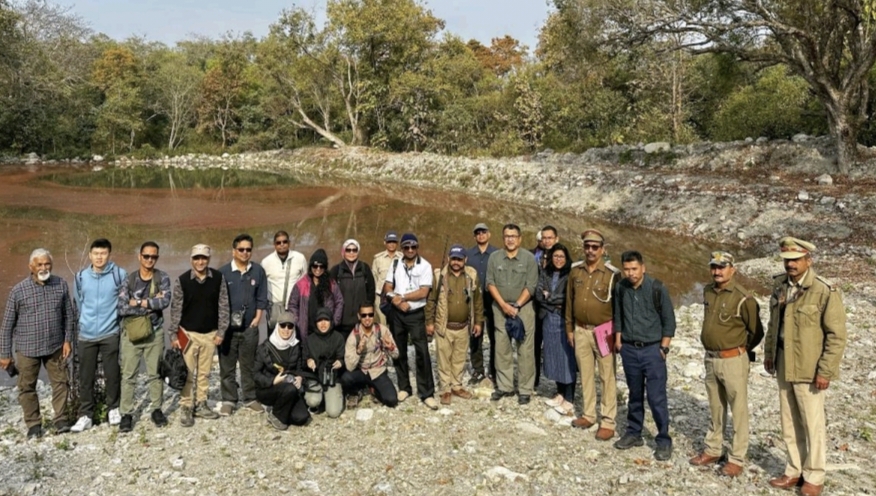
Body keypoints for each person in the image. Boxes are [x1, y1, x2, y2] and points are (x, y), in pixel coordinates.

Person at [763, 237, 847, 496]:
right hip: (783, 362)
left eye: (796, 260)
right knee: (789, 421)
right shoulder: (780, 285)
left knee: (812, 424)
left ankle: (814, 476)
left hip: (809, 368)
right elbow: (773, 323)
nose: (791, 265)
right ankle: (793, 470)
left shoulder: (823, 290)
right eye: (787, 260)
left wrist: (825, 370)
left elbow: (836, 336)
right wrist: (769, 354)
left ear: (808, 261)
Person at [0, 249, 75, 439]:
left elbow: (69, 316)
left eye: (47, 264)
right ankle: (33, 424)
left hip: (55, 346)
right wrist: (5, 354)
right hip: (27, 349)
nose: (43, 268)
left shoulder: (60, 284)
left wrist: (67, 340)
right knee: (26, 387)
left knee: (61, 383)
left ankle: (61, 419)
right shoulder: (18, 291)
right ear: (31, 267)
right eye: (39, 264)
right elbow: (7, 325)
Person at [612, 250, 676, 461]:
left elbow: (669, 320)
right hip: (629, 349)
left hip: (652, 350)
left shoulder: (657, 288)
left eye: (634, 269)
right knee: (634, 393)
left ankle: (663, 440)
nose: (630, 273)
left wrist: (664, 348)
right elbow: (618, 314)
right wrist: (619, 340)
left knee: (657, 397)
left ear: (643, 268)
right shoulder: (621, 287)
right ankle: (634, 432)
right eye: (627, 269)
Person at [564, 229, 620, 440]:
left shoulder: (612, 274)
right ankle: (589, 414)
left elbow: (619, 307)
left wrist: (618, 334)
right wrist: (569, 329)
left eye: (595, 247)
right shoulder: (576, 271)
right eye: (587, 246)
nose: (590, 250)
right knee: (586, 374)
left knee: (607, 376)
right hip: (581, 330)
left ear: (602, 250)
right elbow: (569, 301)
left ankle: (608, 421)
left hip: (604, 332)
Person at [169, 244, 229, 427]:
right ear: (191, 260)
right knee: (187, 372)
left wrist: (221, 331)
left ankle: (201, 403)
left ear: (208, 259)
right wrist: (173, 335)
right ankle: (186, 406)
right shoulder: (182, 281)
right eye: (197, 258)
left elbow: (224, 306)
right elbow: (176, 309)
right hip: (188, 334)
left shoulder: (218, 278)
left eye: (203, 258)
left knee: (205, 373)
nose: (200, 262)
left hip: (210, 334)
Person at [72, 238, 127, 433]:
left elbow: (123, 302)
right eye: (96, 253)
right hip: (86, 335)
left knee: (112, 374)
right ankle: (86, 414)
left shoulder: (119, 275)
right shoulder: (80, 277)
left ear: (109, 254)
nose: (99, 257)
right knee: (85, 376)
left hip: (110, 332)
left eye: (103, 253)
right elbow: (79, 302)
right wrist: (84, 322)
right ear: (90, 255)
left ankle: (113, 409)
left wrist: (116, 324)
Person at [117, 241, 172, 432]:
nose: (150, 260)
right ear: (139, 256)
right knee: (128, 375)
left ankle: (156, 409)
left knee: (155, 373)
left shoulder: (162, 277)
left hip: (155, 333)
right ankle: (126, 413)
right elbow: (122, 307)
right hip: (131, 334)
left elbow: (164, 302)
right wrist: (149, 304)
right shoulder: (129, 279)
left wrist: (138, 302)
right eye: (146, 256)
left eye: (153, 256)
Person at [383, 233, 438, 409]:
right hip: (397, 313)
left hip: (416, 314)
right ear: (402, 248)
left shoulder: (425, 266)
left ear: (417, 247)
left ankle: (427, 392)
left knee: (422, 351)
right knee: (399, 350)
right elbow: (387, 287)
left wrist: (403, 297)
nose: (410, 250)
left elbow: (424, 292)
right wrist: (396, 300)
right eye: (406, 247)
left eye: (413, 246)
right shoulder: (395, 264)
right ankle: (404, 387)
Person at [487, 223, 539, 405]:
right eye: (507, 236)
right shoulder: (494, 258)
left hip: (523, 309)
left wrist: (516, 305)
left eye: (513, 236)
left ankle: (525, 389)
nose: (510, 239)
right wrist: (503, 305)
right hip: (500, 308)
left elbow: (531, 285)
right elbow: (490, 283)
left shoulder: (529, 258)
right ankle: (505, 386)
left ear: (520, 238)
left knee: (525, 349)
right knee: (502, 348)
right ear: (503, 238)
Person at [425, 244, 483, 405]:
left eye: (459, 259)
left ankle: (456, 386)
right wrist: (429, 322)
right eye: (453, 259)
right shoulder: (439, 276)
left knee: (459, 358)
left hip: (463, 326)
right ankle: (445, 389)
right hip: (444, 326)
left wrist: (478, 322)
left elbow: (478, 301)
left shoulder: (471, 275)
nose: (456, 262)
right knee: (443, 359)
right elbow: (431, 300)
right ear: (449, 258)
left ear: (465, 259)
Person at [218, 234, 268, 416]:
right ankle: (229, 400)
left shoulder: (258, 271)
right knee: (227, 366)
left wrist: (257, 319)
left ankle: (250, 398)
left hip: (249, 327)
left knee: (249, 365)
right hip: (227, 329)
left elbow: (262, 297)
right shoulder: (223, 273)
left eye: (248, 249)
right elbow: (217, 301)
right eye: (241, 249)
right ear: (234, 251)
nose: (245, 252)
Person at [535, 243, 576, 415]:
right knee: (553, 356)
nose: (558, 259)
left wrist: (549, 296)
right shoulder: (545, 272)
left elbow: (568, 297)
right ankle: (559, 392)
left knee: (566, 357)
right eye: (556, 256)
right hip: (548, 319)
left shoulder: (571, 274)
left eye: (562, 256)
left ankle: (569, 397)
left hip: (563, 320)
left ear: (566, 258)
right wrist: (551, 300)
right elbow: (538, 294)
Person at [253, 311, 311, 429]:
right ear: (277, 326)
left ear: (293, 329)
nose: (286, 330)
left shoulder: (296, 346)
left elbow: (299, 369)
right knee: (289, 389)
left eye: (290, 326)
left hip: (290, 390)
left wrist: (300, 378)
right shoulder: (264, 348)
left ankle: (278, 408)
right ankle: (276, 415)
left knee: (302, 418)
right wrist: (272, 381)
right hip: (268, 389)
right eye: (283, 325)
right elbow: (255, 374)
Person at [342, 303, 399, 408]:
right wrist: (358, 351)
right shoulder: (353, 336)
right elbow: (349, 367)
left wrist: (390, 347)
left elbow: (396, 355)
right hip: (361, 371)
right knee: (346, 378)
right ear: (359, 316)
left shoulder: (382, 330)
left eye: (370, 314)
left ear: (374, 315)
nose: (367, 318)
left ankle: (373, 390)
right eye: (364, 315)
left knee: (391, 400)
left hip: (378, 370)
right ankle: (355, 392)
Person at [287, 249, 343, 342]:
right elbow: (292, 304)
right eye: (315, 266)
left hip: (326, 329)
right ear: (310, 266)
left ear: (325, 267)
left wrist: (334, 321)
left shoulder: (331, 284)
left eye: (321, 266)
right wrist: (298, 322)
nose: (318, 269)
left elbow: (339, 301)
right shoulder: (301, 284)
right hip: (307, 330)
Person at [466, 223, 497, 386]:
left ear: (489, 234)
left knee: (495, 337)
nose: (481, 235)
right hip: (474, 302)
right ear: (474, 236)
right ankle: (478, 369)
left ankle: (494, 370)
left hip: (493, 301)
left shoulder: (497, 254)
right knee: (475, 337)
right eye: (478, 233)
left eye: (483, 232)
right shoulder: (468, 255)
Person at [303, 308, 345, 418]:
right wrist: (308, 360)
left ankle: (332, 397)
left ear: (331, 321)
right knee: (312, 401)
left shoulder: (338, 337)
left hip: (332, 378)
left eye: (326, 320)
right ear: (315, 323)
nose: (323, 324)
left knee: (333, 412)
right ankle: (320, 399)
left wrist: (340, 362)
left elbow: (343, 357)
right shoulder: (309, 339)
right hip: (315, 377)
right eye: (319, 320)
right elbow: (303, 359)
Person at [330, 239, 376, 340]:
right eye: (348, 250)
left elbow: (371, 291)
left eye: (354, 250)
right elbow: (330, 295)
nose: (351, 253)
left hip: (361, 321)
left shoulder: (365, 268)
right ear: (343, 251)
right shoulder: (336, 270)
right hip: (342, 322)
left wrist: (367, 314)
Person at [261, 230, 307, 331]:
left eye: (284, 242)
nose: (282, 245)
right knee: (274, 337)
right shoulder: (266, 262)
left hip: (295, 307)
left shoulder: (299, 258)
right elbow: (262, 286)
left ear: (289, 243)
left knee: (295, 336)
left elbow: (305, 282)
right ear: (274, 245)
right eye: (278, 242)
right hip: (275, 309)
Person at [533, 225, 559, 388]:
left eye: (550, 238)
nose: (547, 241)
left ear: (556, 239)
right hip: (537, 308)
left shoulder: (561, 257)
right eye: (544, 238)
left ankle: (560, 385)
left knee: (556, 346)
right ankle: (534, 379)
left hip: (555, 309)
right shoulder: (536, 256)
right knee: (535, 344)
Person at [372, 231, 402, 325]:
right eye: (389, 242)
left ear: (397, 243)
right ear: (385, 242)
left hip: (398, 295)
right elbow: (374, 278)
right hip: (381, 297)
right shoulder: (378, 259)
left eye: (394, 242)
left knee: (397, 322)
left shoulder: (403, 258)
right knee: (383, 322)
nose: (391, 244)